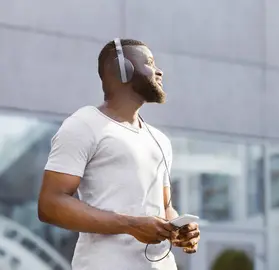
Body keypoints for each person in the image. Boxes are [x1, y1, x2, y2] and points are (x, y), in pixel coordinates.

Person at [37, 38, 200, 270]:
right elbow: (50, 204)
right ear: (123, 70)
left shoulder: (160, 140)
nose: (159, 71)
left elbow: (164, 208)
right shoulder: (84, 124)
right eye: (150, 63)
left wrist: (178, 229)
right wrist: (130, 225)